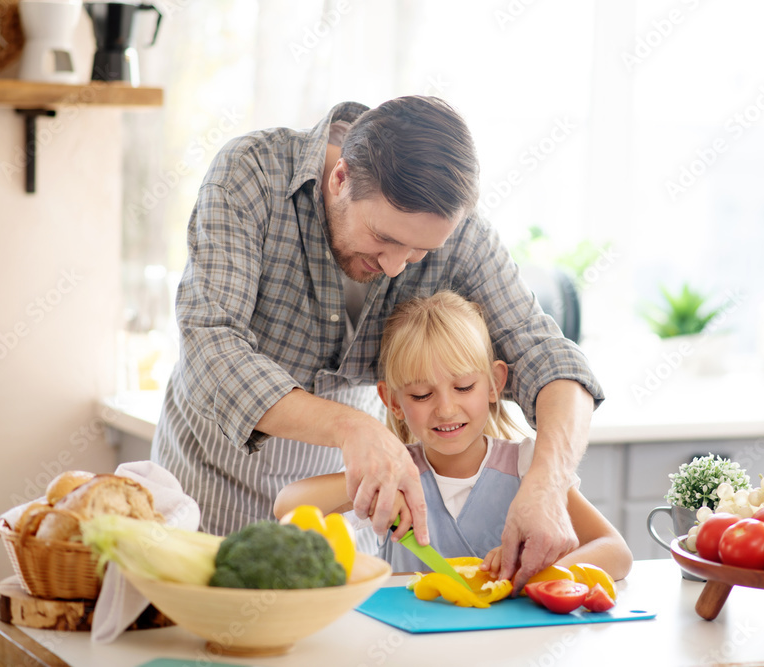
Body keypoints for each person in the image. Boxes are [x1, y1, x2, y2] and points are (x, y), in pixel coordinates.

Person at [151, 95, 605, 587]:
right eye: (384, 239)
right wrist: (352, 429)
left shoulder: (462, 236)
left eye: (418, 250)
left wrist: (548, 483)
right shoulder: (252, 175)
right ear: (340, 178)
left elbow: (548, 357)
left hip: (345, 513)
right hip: (208, 484)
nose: (394, 266)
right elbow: (209, 346)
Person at [274, 292, 632, 580]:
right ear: (393, 401)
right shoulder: (394, 472)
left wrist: (542, 574)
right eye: (421, 395)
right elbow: (288, 507)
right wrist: (373, 484)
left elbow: (615, 551)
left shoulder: (526, 465)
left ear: (495, 383)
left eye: (463, 387)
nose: (445, 409)